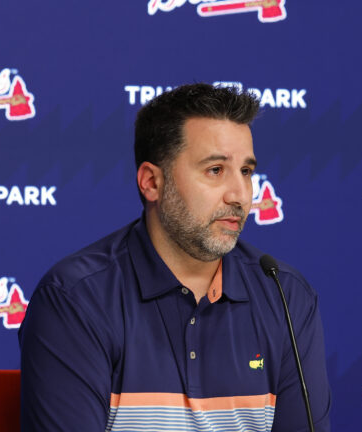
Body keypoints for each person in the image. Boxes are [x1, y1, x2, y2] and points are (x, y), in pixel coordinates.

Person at [19, 83, 331, 431]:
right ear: (151, 182)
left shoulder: (286, 297)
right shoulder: (75, 299)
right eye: (215, 170)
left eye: (246, 171)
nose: (240, 195)